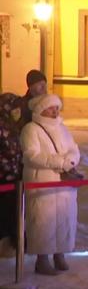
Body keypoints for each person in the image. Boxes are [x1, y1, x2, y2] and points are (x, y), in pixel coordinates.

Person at [20, 94, 80, 275]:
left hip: (63, 185)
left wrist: (70, 161)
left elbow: (73, 149)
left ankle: (60, 253)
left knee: (63, 218)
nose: (55, 111)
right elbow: (31, 155)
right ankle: (42, 258)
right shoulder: (30, 129)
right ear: (40, 109)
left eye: (57, 108)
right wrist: (58, 162)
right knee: (43, 221)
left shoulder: (62, 128)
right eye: (51, 108)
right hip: (42, 182)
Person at [0, 93, 24, 254]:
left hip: (15, 178)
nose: (18, 111)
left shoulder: (14, 127)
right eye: (14, 108)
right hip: (2, 179)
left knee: (12, 213)